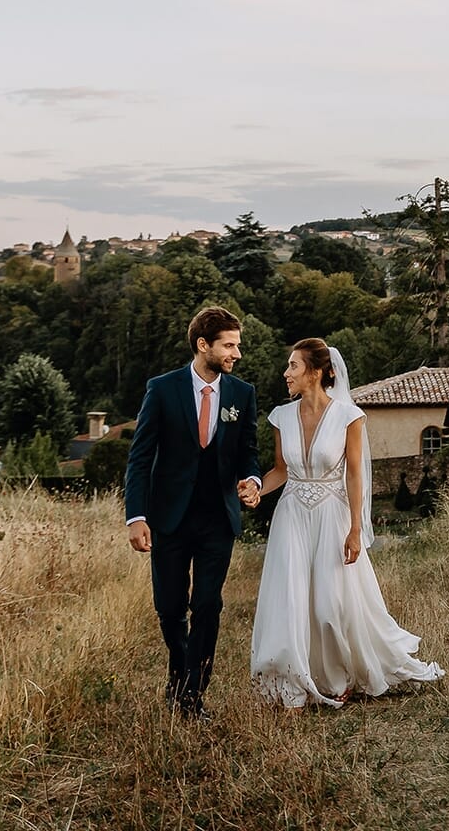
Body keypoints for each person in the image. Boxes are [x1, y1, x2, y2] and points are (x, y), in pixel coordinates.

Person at [247, 337, 444, 707]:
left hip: (332, 515)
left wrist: (355, 527)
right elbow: (280, 471)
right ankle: (292, 680)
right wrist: (258, 490)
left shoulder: (348, 416)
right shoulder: (280, 416)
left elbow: (355, 475)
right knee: (288, 601)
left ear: (317, 372)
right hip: (291, 515)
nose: (285, 373)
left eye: (293, 366)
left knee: (328, 606)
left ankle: (338, 675)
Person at [123, 306, 262, 720]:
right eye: (229, 345)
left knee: (207, 605)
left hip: (217, 518)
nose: (236, 353)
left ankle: (191, 696)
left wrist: (252, 481)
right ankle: (181, 668)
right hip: (168, 517)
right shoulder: (162, 390)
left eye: (237, 345)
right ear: (204, 345)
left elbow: (248, 454)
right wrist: (136, 516)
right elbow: (140, 456)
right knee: (169, 607)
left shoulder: (242, 394)